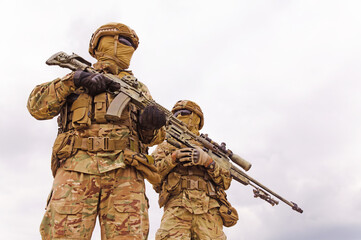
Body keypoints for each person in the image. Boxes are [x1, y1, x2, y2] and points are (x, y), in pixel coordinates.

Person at [27, 22, 166, 240]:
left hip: (126, 173)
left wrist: (151, 127)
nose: (122, 46)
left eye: (128, 43)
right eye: (117, 40)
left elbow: (154, 138)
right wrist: (73, 80)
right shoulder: (77, 76)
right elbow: (36, 106)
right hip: (76, 170)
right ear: (99, 44)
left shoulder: (138, 89)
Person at [152, 100, 238, 240]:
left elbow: (226, 181)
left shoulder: (211, 149)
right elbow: (153, 176)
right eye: (176, 114)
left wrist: (208, 162)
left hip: (209, 211)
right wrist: (173, 158)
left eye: (184, 113)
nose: (179, 116)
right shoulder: (165, 145)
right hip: (177, 207)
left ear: (197, 118)